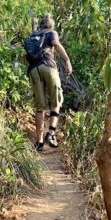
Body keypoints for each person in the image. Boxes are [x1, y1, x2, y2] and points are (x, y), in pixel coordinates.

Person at [25, 13, 72, 151]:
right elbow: (56, 44)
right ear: (51, 25)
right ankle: (51, 134)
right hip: (48, 66)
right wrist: (67, 60)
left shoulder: (33, 36)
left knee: (40, 107)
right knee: (56, 101)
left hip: (33, 69)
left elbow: (26, 56)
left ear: (40, 25)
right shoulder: (51, 33)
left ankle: (39, 141)